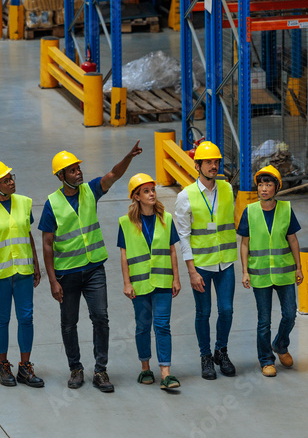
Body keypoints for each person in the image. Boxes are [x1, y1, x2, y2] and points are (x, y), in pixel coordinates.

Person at [40, 142, 143, 392]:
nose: (79, 172)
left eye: (78, 168)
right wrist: (53, 281)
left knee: (101, 318)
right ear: (61, 176)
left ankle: (100, 371)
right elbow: (47, 243)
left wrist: (128, 156)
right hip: (67, 273)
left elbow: (113, 175)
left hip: (94, 268)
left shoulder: (90, 191)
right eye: (73, 170)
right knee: (69, 323)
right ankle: (75, 368)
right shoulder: (52, 204)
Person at [0, 160, 43, 388]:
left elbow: (27, 234)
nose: (12, 182)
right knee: (2, 320)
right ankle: (4, 366)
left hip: (23, 271)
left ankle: (25, 367)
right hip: (0, 276)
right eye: (6, 180)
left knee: (26, 318)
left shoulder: (24, 203)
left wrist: (36, 265)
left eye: (12, 178)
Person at [175, 141, 237, 380]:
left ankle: (221, 351)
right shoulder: (185, 196)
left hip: (226, 262)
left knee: (227, 310)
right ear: (197, 165)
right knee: (203, 312)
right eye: (209, 162)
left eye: (216, 161)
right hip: (201, 265)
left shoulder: (227, 189)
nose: (214, 166)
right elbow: (183, 235)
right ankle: (205, 357)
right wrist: (191, 270)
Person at [238, 165, 303, 377]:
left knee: (290, 314)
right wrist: (245, 271)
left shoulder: (285, 209)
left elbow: (292, 239)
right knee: (263, 320)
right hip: (260, 273)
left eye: (268, 184)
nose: (264, 188)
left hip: (284, 273)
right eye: (260, 184)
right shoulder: (250, 211)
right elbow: (245, 244)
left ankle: (281, 344)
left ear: (276, 187)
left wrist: (299, 267)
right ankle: (266, 359)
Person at [118, 174, 182, 390]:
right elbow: (124, 255)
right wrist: (127, 283)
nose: (152, 193)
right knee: (143, 326)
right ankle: (145, 368)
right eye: (146, 191)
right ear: (136, 196)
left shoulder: (167, 218)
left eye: (152, 190)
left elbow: (173, 250)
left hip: (163, 281)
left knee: (162, 326)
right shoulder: (125, 223)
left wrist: (176, 278)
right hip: (139, 284)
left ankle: (166, 373)